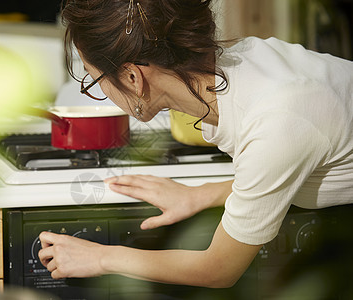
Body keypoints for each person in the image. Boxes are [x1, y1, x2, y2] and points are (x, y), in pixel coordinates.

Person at [38, 0, 353, 288]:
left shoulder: (277, 118)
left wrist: (100, 258)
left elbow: (218, 269)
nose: (102, 92)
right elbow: (284, 170)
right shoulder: (243, 63)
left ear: (133, 78)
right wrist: (203, 194)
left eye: (94, 81)